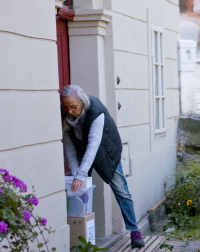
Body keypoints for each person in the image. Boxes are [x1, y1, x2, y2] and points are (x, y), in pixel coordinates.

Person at [61, 85, 145, 248]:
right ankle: (84, 232)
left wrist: (81, 174)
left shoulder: (95, 110)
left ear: (82, 103)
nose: (70, 111)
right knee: (79, 190)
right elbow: (69, 145)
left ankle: (134, 231)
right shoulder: (65, 115)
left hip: (105, 149)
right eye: (66, 107)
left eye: (73, 107)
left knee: (121, 190)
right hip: (81, 148)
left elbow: (94, 144)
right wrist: (75, 173)